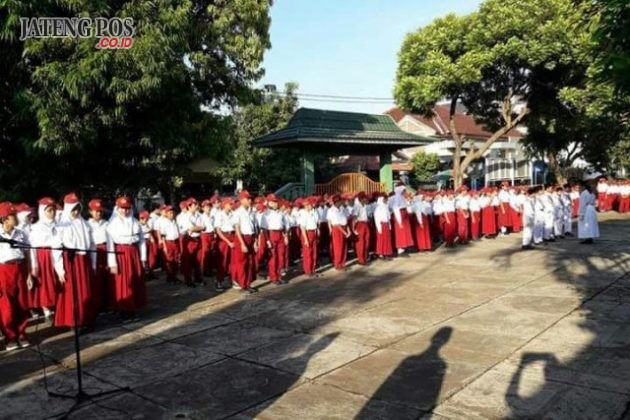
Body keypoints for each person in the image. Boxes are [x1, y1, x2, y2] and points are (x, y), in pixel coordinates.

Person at [53, 193, 97, 332]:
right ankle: (74, 321)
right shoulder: (61, 225)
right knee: (73, 292)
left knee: (86, 291)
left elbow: (91, 245)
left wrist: (93, 263)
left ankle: (86, 318)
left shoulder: (84, 223)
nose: (76, 212)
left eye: (78, 209)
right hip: (70, 260)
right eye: (73, 209)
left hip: (84, 261)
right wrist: (60, 270)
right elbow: (56, 249)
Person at [107, 196, 147, 321]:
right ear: (117, 209)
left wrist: (143, 257)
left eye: (127, 208)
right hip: (121, 253)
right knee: (123, 282)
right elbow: (110, 244)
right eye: (122, 208)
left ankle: (134, 307)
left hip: (134, 252)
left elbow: (141, 241)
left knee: (135, 279)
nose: (125, 211)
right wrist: (112, 263)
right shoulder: (112, 224)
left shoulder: (135, 222)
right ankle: (124, 310)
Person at [0, 202, 33, 350]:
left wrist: (29, 274)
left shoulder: (20, 233)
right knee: (6, 305)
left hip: (20, 267)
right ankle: (10, 337)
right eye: (12, 215)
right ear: (4, 219)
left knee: (22, 303)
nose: (16, 218)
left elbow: (27, 253)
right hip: (3, 270)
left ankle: (21, 333)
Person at [29, 197, 60, 319]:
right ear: (42, 212)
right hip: (43, 257)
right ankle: (46, 309)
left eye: (53, 210)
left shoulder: (59, 225)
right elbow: (32, 247)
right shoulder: (36, 228)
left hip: (56, 254)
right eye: (49, 210)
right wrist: (34, 264)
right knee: (44, 283)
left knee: (56, 281)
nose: (52, 213)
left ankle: (57, 306)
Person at [231, 190, 258, 293]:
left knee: (250, 262)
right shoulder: (237, 212)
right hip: (241, 238)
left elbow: (254, 227)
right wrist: (242, 243)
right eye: (248, 199)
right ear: (242, 200)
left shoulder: (252, 211)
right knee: (242, 263)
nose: (250, 200)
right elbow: (237, 229)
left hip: (250, 237)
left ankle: (248, 283)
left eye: (250, 198)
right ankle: (243, 285)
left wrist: (255, 241)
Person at [87, 198, 109, 312]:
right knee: (96, 279)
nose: (98, 213)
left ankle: (108, 302)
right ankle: (98, 304)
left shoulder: (107, 223)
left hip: (106, 250)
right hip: (94, 251)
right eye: (96, 211)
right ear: (90, 211)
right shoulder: (87, 225)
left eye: (100, 211)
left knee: (108, 277)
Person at [262, 194, 288, 284]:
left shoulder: (280, 213)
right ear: (269, 203)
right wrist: (267, 240)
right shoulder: (266, 214)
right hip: (272, 234)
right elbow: (264, 229)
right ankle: (273, 277)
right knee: (273, 257)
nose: (275, 204)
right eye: (273, 202)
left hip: (280, 233)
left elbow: (284, 225)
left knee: (281, 256)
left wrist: (285, 236)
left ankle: (279, 275)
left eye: (276, 202)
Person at [180, 198, 204, 287]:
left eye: (196, 204)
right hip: (189, 239)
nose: (197, 206)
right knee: (188, 261)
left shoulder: (199, 215)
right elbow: (191, 228)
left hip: (198, 238)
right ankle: (188, 280)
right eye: (194, 205)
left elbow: (204, 227)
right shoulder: (186, 216)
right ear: (189, 206)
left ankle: (198, 278)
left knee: (198, 260)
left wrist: (198, 228)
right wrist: (199, 228)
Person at [214, 198, 236, 291]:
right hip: (224, 237)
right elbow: (218, 231)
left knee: (233, 260)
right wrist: (228, 242)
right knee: (223, 261)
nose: (232, 206)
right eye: (230, 204)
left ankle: (233, 279)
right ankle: (219, 280)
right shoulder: (219, 215)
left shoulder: (233, 214)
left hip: (232, 235)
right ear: (225, 205)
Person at [158, 205, 181, 284]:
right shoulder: (164, 222)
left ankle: (174, 277)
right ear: (166, 214)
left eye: (173, 213)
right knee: (170, 261)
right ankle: (170, 278)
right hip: (168, 242)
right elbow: (163, 235)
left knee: (176, 260)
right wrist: (164, 246)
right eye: (170, 213)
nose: (172, 214)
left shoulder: (175, 221)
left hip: (175, 242)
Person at [390, 182, 414, 255]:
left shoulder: (402, 197)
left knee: (405, 232)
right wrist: (399, 221)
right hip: (400, 215)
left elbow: (407, 205)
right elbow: (396, 208)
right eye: (403, 190)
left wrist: (408, 201)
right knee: (400, 232)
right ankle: (400, 249)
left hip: (404, 214)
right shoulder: (397, 197)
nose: (405, 192)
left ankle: (405, 247)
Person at [298, 197, 320, 276]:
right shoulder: (303, 213)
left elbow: (317, 223)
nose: (312, 205)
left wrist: (317, 232)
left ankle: (313, 269)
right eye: (311, 204)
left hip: (314, 232)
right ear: (306, 205)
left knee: (314, 252)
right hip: (307, 233)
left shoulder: (314, 212)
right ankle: (308, 270)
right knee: (308, 253)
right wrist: (306, 239)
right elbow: (302, 227)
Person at [328, 195, 350, 270]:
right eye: (340, 201)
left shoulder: (342, 209)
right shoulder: (332, 210)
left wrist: (348, 230)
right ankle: (338, 264)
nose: (342, 202)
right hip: (337, 229)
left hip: (343, 228)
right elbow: (336, 223)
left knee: (344, 246)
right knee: (338, 247)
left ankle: (343, 263)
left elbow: (345, 220)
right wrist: (344, 232)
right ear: (336, 202)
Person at [352, 192, 370, 265]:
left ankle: (365, 258)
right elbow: (354, 218)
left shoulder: (365, 206)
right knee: (361, 243)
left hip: (365, 224)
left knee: (366, 241)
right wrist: (353, 229)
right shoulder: (357, 206)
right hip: (359, 224)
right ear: (362, 199)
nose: (366, 199)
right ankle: (361, 259)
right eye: (365, 198)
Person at [373, 193, 393, 260]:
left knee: (387, 240)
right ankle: (381, 254)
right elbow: (377, 219)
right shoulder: (378, 208)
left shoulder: (386, 207)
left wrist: (389, 225)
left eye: (386, 199)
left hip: (386, 224)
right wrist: (379, 228)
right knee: (381, 240)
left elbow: (388, 217)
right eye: (385, 199)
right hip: (381, 225)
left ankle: (386, 253)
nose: (386, 200)